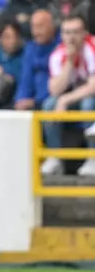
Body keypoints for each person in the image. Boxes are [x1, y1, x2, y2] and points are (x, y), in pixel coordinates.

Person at [41, 13, 95, 175]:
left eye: (76, 32)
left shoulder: (91, 48)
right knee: (49, 105)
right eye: (67, 33)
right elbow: (55, 89)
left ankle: (92, 158)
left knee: (88, 104)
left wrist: (65, 99)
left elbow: (93, 87)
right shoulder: (58, 54)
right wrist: (70, 62)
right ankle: (54, 157)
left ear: (84, 33)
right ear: (62, 35)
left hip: (89, 97)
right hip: (74, 96)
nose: (71, 38)